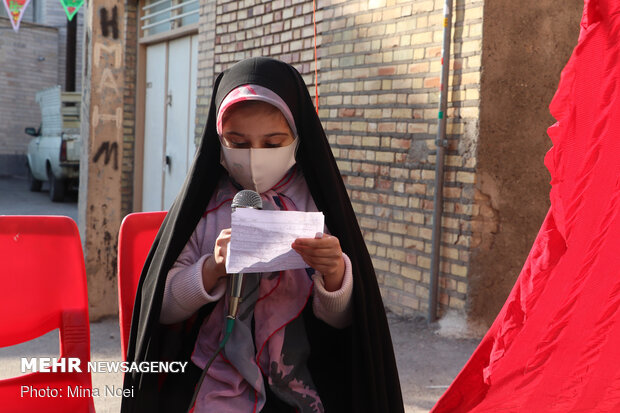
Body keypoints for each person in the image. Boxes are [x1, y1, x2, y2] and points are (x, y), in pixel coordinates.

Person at [121, 57, 404, 413]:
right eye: (237, 142)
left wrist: (334, 275)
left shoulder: (317, 206)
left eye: (273, 144)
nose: (255, 157)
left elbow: (346, 323)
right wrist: (211, 269)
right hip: (211, 376)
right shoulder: (202, 211)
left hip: (301, 379)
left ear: (297, 139)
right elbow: (159, 309)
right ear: (217, 142)